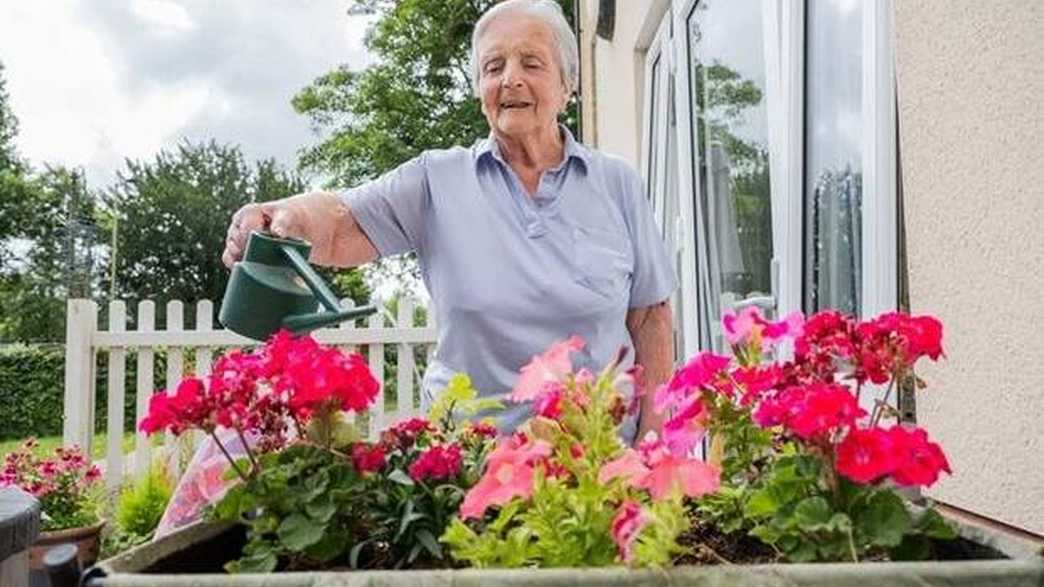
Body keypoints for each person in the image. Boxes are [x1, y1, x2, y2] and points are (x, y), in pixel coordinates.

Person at [222, 0, 675, 443]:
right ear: (479, 88)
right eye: (493, 67)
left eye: (531, 63)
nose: (511, 79)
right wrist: (286, 215)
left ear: (568, 83)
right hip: (473, 465)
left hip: (599, 459)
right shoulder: (435, 180)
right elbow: (341, 222)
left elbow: (650, 319)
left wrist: (653, 443)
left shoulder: (617, 183)